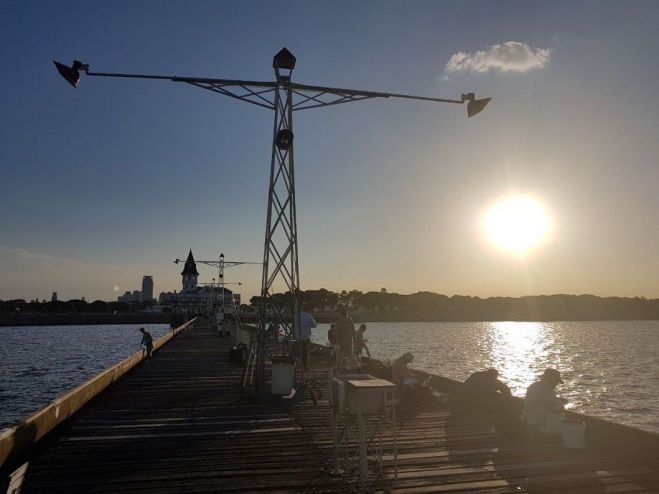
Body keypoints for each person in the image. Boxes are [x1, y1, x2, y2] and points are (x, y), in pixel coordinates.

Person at [524, 368, 566, 434]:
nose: (557, 384)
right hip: (541, 425)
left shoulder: (533, 386)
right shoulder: (547, 389)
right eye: (557, 381)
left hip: (529, 421)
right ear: (553, 381)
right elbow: (560, 408)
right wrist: (562, 403)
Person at [333, 306, 360, 372]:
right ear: (347, 313)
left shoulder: (339, 321)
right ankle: (356, 366)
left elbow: (337, 332)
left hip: (341, 341)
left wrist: (335, 340)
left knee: (340, 355)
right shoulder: (350, 320)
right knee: (351, 353)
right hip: (349, 340)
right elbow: (353, 330)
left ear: (341, 313)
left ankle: (340, 368)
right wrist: (354, 338)